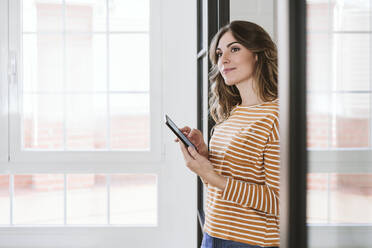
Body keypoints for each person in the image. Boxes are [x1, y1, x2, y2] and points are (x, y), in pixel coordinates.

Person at [175, 20, 279, 248]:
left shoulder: (276, 117)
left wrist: (212, 176)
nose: (224, 60)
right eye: (219, 53)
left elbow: (279, 201)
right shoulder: (230, 115)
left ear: (258, 55)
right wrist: (203, 158)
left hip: (251, 242)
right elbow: (217, 186)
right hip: (213, 234)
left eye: (234, 49)